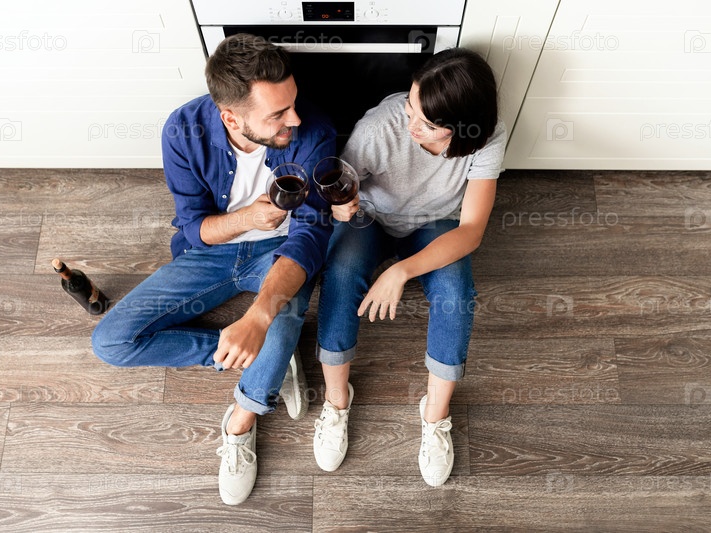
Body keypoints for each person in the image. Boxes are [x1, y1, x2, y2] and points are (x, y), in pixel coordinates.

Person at [91, 33, 336, 505]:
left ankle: (241, 421)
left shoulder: (314, 132)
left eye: (293, 103)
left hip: (281, 252)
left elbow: (310, 237)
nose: (295, 119)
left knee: (281, 314)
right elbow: (193, 227)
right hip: (209, 253)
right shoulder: (182, 130)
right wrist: (246, 219)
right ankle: (269, 359)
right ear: (231, 117)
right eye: (278, 114)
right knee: (111, 342)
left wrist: (259, 316)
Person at [312, 48, 506, 487]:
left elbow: (471, 230)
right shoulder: (380, 127)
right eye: (410, 108)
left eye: (427, 123)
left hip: (436, 223)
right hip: (372, 217)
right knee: (340, 276)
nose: (411, 125)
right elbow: (340, 184)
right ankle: (337, 400)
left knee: (456, 291)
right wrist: (340, 207)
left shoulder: (488, 136)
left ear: (465, 126)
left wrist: (401, 271)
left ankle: (435, 414)